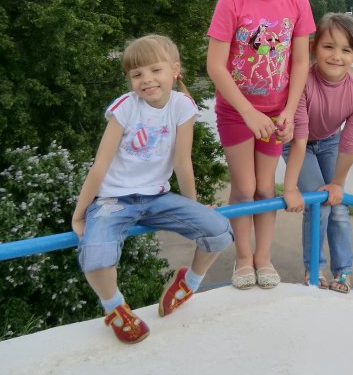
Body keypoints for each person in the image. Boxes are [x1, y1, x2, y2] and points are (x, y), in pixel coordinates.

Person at [72, 35, 233, 344]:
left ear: (174, 70)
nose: (146, 80)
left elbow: (183, 163)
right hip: (114, 199)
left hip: (157, 197)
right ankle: (115, 307)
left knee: (218, 231)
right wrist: (80, 214)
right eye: (137, 74)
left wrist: (195, 205)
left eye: (154, 70)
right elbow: (100, 166)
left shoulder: (182, 106)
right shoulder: (125, 108)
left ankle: (189, 282)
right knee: (95, 253)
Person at [206, 0, 315, 290]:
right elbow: (215, 67)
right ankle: (242, 259)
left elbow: (300, 62)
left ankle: (263, 258)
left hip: (275, 112)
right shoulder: (231, 1)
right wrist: (248, 112)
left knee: (266, 189)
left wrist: (287, 111)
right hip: (238, 112)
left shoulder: (297, 1)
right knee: (244, 186)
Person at [283, 13, 353, 293]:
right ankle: (314, 267)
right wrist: (290, 187)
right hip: (298, 142)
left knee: (339, 204)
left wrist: (337, 183)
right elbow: (300, 137)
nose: (336, 56)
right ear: (313, 47)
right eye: (328, 47)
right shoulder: (303, 82)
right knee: (318, 203)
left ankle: (343, 271)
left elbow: (350, 142)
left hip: (330, 142)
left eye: (346, 50)